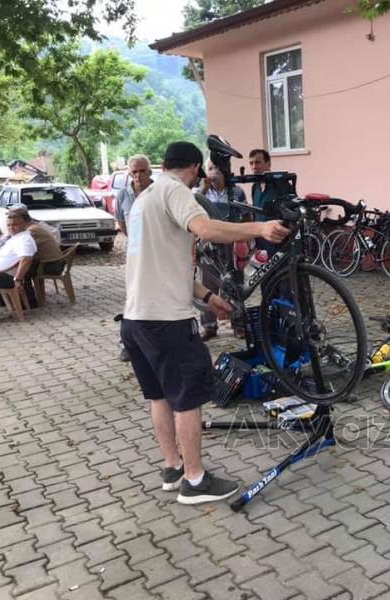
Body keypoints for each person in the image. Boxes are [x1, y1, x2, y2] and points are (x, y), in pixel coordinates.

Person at [120, 141, 290, 505]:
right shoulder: (175, 191)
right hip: (167, 322)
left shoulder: (144, 200)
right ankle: (195, 482)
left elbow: (164, 264)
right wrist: (259, 227)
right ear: (196, 168)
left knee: (160, 396)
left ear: (163, 163)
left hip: (136, 320)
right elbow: (206, 228)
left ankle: (173, 469)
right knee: (187, 400)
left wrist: (209, 297)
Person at [197, 160, 248, 341]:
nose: (213, 172)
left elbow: (246, 215)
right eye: (210, 168)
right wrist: (203, 189)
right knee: (209, 282)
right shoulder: (202, 192)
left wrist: (245, 237)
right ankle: (209, 326)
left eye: (216, 168)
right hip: (209, 243)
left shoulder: (236, 191)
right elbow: (193, 209)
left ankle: (239, 324)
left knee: (236, 283)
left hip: (232, 242)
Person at [115, 155, 154, 360]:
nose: (138, 176)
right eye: (134, 172)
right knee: (133, 297)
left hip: (158, 254)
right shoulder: (123, 195)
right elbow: (121, 223)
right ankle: (127, 344)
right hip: (135, 255)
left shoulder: (158, 192)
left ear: (149, 171)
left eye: (141, 171)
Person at [249, 149, 278, 256]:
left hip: (277, 243)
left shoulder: (281, 185)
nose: (254, 167)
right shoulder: (254, 187)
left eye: (257, 162)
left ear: (268, 163)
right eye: (251, 163)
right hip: (260, 242)